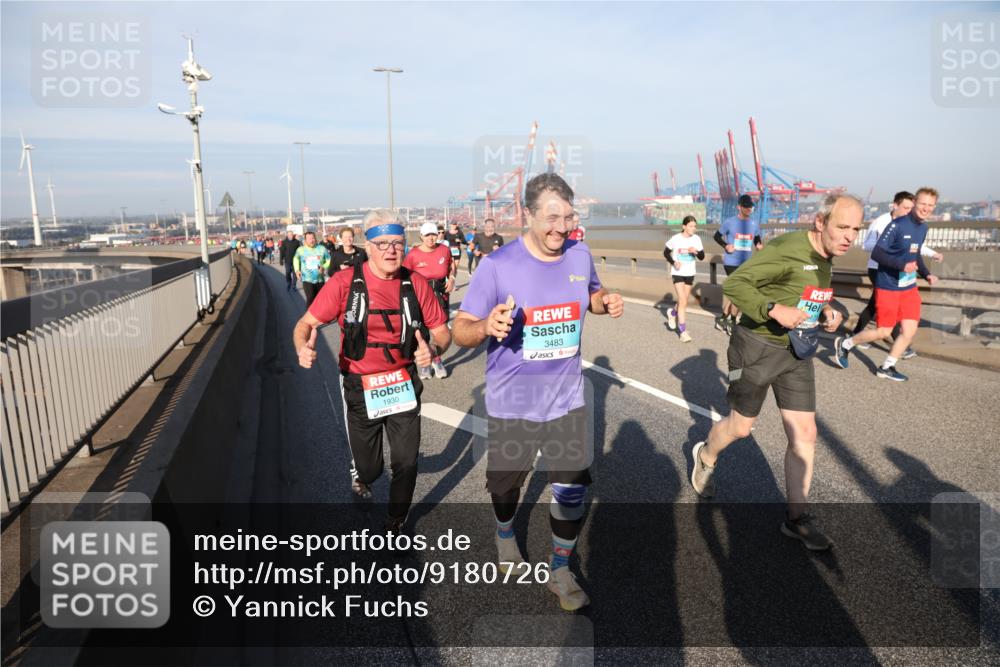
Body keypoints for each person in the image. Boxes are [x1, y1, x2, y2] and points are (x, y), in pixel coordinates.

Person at [453, 173, 624, 611]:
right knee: (506, 486)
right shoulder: (498, 265)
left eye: (568, 217)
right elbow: (461, 330)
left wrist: (607, 303)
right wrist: (485, 327)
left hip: (567, 399)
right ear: (527, 215)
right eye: (551, 217)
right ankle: (505, 531)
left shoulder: (580, 254)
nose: (561, 227)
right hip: (514, 401)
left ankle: (561, 569)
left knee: (571, 487)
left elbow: (592, 295)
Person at [690, 193, 863, 552]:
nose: (849, 236)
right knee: (741, 427)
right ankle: (706, 454)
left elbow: (808, 291)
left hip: (796, 351)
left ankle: (797, 519)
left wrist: (827, 310)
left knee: (805, 432)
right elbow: (737, 285)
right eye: (842, 227)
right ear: (820, 222)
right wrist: (772, 309)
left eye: (856, 229)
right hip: (756, 346)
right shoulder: (787, 249)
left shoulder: (827, 255)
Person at [293, 210, 450, 532]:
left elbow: (444, 332)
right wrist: (302, 346)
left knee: (406, 462)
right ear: (367, 245)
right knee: (370, 468)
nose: (391, 250)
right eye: (382, 244)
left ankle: (396, 520)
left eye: (398, 243)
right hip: (359, 384)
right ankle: (362, 474)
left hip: (403, 380)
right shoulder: (343, 283)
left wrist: (433, 350)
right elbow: (305, 323)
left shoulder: (415, 283)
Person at [833, 188, 940, 381]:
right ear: (915, 202)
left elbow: (915, 254)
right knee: (884, 331)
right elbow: (877, 253)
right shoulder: (897, 225)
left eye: (930, 205)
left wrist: (926, 274)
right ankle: (846, 344)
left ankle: (887, 367)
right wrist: (901, 265)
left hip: (908, 287)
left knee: (909, 331)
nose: (926, 208)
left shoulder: (923, 228)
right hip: (888, 285)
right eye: (923, 203)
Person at [403, 222, 454, 379]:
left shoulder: (444, 250)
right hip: (420, 295)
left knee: (440, 330)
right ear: (421, 236)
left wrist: (451, 277)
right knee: (423, 331)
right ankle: (425, 364)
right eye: (427, 235)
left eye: (433, 234)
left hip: (440, 294)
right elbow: (404, 275)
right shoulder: (413, 254)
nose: (431, 238)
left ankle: (437, 359)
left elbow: (451, 265)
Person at [714, 194, 763, 335]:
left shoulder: (754, 224)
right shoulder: (730, 222)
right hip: (731, 262)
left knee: (736, 292)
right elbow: (716, 236)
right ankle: (733, 321)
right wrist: (726, 245)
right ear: (739, 207)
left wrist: (759, 246)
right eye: (746, 207)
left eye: (750, 207)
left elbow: (757, 238)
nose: (748, 209)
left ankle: (723, 318)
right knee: (740, 291)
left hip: (746, 263)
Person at [663, 215, 706, 342]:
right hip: (678, 272)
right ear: (684, 227)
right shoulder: (675, 239)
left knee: (683, 301)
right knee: (683, 300)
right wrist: (673, 262)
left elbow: (702, 257)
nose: (693, 228)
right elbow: (665, 252)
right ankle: (683, 332)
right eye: (691, 226)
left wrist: (696, 252)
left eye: (695, 226)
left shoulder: (697, 239)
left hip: (690, 273)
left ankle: (672, 313)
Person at [293, 231, 332, 308]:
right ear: (305, 240)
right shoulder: (301, 250)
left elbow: (329, 260)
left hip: (320, 279)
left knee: (320, 300)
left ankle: (319, 317)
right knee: (310, 297)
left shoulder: (322, 249)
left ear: (316, 239)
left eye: (313, 238)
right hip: (307, 279)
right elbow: (296, 259)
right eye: (309, 239)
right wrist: (297, 270)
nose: (312, 240)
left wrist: (324, 266)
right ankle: (309, 317)